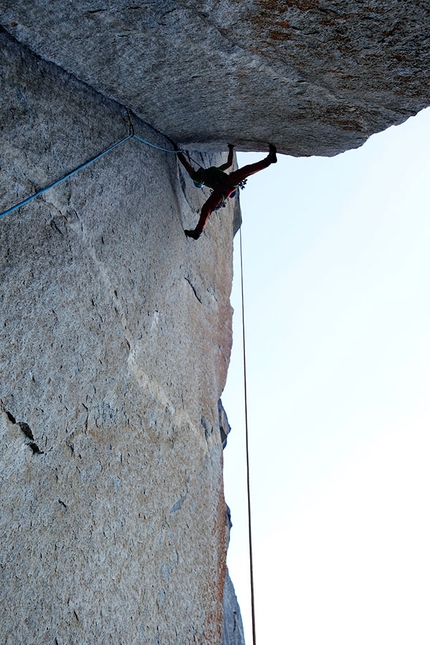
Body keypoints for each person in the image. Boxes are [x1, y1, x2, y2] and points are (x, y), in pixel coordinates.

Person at [177, 143, 277, 239]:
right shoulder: (209, 172)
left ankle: (198, 231)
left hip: (222, 191)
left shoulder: (201, 176)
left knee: (207, 208)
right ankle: (268, 160)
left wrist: (178, 152)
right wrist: (231, 149)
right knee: (245, 172)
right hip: (226, 186)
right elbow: (229, 163)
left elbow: (187, 165)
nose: (198, 169)